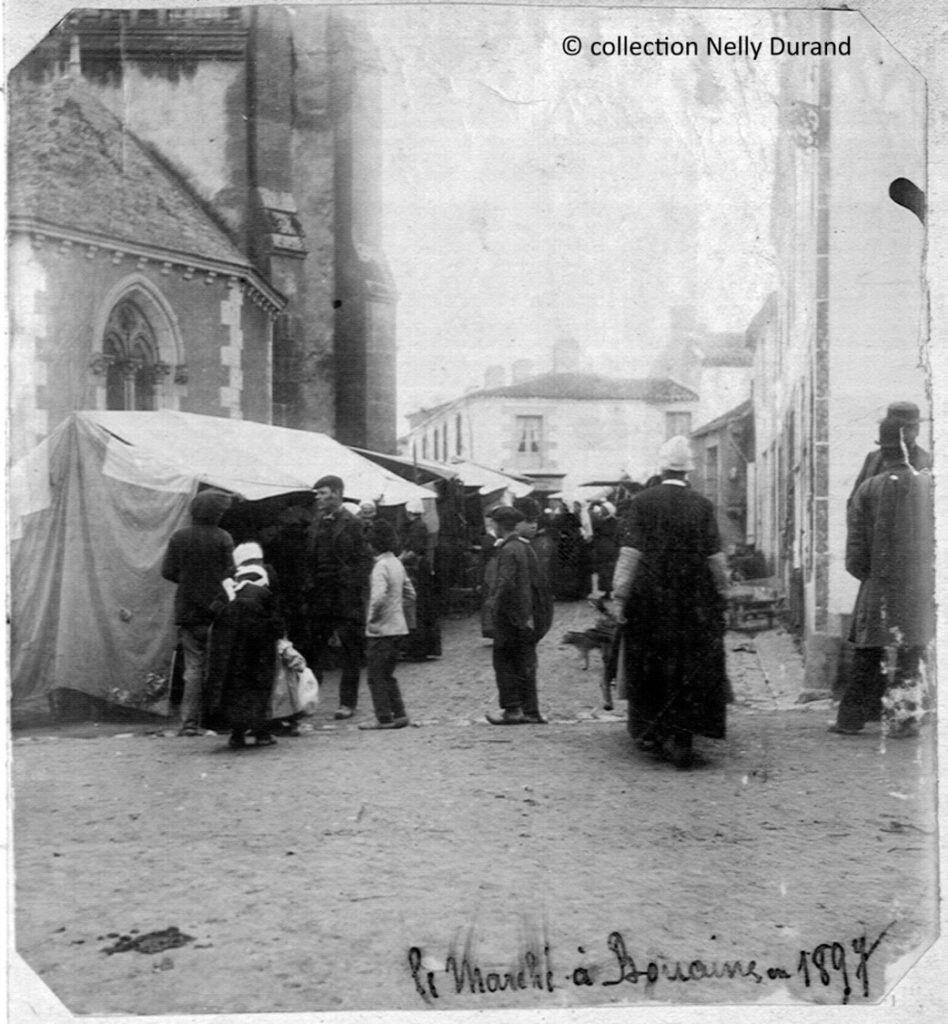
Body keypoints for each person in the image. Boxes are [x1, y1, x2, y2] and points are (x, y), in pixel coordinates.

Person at [611, 436, 730, 769]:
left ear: (662, 469)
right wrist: (724, 591)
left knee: (649, 664)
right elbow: (715, 558)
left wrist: (620, 596)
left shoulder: (643, 502)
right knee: (690, 666)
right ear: (688, 472)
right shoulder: (702, 505)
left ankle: (653, 731)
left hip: (649, 601)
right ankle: (685, 733)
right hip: (694, 601)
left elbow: (629, 554)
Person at [830, 418, 934, 737]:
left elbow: (855, 555)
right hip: (916, 586)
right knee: (910, 651)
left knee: (867, 652)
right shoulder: (928, 486)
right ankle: (903, 721)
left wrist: (871, 577)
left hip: (878, 585)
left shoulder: (867, 489)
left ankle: (851, 720)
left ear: (885, 449)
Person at [161, 488, 234, 736]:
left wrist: (188, 581)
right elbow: (230, 573)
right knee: (219, 666)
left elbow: (167, 572)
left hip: (188, 610)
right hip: (216, 610)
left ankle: (189, 723)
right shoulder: (223, 537)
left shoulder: (179, 537)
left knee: (193, 668)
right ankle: (217, 719)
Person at [302, 475, 372, 720]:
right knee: (314, 651)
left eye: (322, 493)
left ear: (337, 493)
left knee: (350, 651)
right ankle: (308, 701)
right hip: (319, 597)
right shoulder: (315, 523)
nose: (318, 498)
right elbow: (308, 559)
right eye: (318, 494)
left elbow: (364, 562)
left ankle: (347, 703)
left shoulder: (353, 524)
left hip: (344, 598)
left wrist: (352, 587)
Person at [204, 543, 285, 749]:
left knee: (233, 683)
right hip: (259, 641)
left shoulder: (230, 580)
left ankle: (236, 733)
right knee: (259, 682)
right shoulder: (267, 576)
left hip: (230, 642)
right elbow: (275, 612)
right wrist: (280, 636)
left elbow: (213, 609)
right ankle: (261, 732)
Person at [483, 505, 554, 725]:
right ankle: (531, 710)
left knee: (504, 662)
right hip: (526, 616)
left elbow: (506, 583)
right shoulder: (524, 547)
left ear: (498, 525)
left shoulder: (508, 549)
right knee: (525, 662)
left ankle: (512, 710)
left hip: (509, 617)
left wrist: (494, 606)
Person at [359, 520, 417, 730]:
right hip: (398, 626)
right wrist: (397, 608)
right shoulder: (397, 563)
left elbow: (377, 598)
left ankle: (383, 717)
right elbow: (411, 593)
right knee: (388, 674)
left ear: (373, 544)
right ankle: (399, 713)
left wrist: (372, 620)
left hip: (381, 630)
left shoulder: (380, 567)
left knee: (375, 676)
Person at [849, 401, 931, 500]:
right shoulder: (873, 458)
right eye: (896, 428)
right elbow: (855, 501)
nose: (902, 434)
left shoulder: (928, 462)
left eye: (908, 428)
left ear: (917, 429)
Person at [398, 497, 442, 660]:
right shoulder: (420, 526)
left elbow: (414, 551)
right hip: (420, 570)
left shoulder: (416, 528)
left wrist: (398, 560)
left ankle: (418, 648)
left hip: (416, 571)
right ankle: (422, 647)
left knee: (418, 608)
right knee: (422, 608)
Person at [590, 500, 620, 599]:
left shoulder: (612, 522)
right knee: (603, 571)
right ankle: (606, 591)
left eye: (604, 509)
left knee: (609, 570)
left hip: (609, 548)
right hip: (603, 548)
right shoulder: (602, 521)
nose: (601, 511)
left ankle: (610, 591)